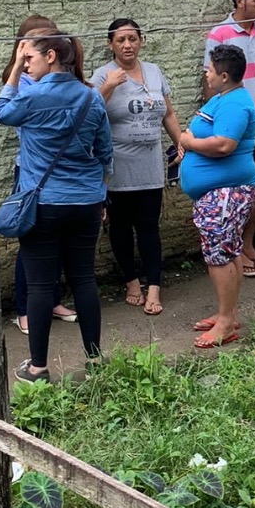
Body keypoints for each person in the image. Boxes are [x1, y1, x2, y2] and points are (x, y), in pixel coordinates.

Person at [0, 29, 112, 383]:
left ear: (50, 56)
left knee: (41, 286)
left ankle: (38, 368)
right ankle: (94, 361)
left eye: (28, 57)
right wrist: (100, 193)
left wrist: (14, 70)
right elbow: (105, 152)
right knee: (83, 279)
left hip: (44, 204)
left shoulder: (33, 97)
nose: (25, 64)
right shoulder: (92, 97)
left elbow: (2, 112)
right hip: (87, 202)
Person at [91, 18, 183, 317]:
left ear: (141, 40)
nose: (127, 45)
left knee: (149, 227)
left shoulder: (154, 71)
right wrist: (108, 86)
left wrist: (180, 141)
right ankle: (132, 282)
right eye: (120, 40)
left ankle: (154, 287)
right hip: (117, 165)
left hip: (150, 163)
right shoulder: (103, 75)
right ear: (110, 44)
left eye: (132, 38)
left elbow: (167, 112)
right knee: (119, 228)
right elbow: (90, 114)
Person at [3, 16, 79, 336]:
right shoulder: (21, 77)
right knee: (31, 242)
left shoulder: (58, 76)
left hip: (61, 170)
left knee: (59, 239)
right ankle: (25, 308)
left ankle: (52, 300)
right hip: (33, 172)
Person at [181, 45, 255, 348]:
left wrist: (188, 140)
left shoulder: (236, 104)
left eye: (210, 69)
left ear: (224, 75)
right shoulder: (222, 99)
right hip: (217, 193)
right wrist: (189, 141)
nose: (206, 72)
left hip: (228, 192)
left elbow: (224, 144)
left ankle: (225, 322)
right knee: (229, 250)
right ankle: (229, 313)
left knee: (220, 254)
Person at [205, 0, 255, 278]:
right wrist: (214, 119)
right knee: (233, 188)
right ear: (239, 1)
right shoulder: (219, 34)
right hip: (235, 122)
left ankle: (247, 242)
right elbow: (208, 80)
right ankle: (233, 246)